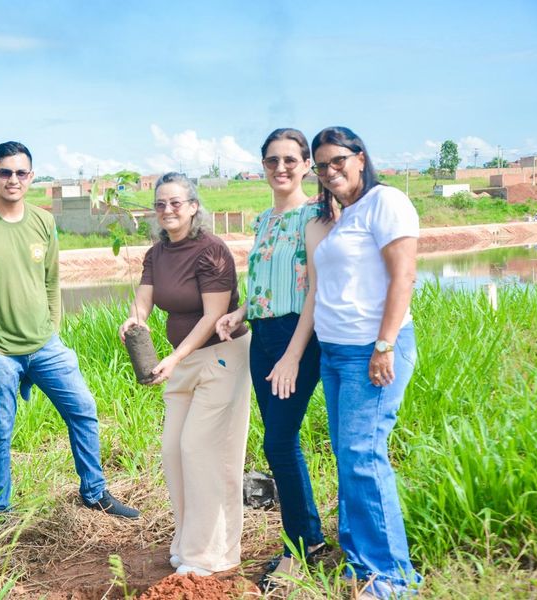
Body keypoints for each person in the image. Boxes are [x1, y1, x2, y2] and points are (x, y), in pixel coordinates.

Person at [0, 141, 138, 519]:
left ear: (31, 177)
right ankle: (1, 511)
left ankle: (94, 492)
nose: (12, 179)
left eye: (20, 173)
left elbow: (51, 280)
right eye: (5, 172)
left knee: (83, 408)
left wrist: (52, 327)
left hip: (46, 345)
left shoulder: (43, 221)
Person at [118, 172, 251, 576]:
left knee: (203, 451)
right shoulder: (157, 253)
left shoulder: (211, 251)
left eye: (176, 202)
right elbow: (145, 302)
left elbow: (213, 316)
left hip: (222, 357)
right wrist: (134, 321)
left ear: (194, 206)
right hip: (183, 360)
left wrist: (173, 359)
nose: (167, 210)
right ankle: (189, 541)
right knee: (174, 451)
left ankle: (210, 554)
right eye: (160, 204)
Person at [215, 128, 331, 587]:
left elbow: (316, 292)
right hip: (263, 334)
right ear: (262, 167)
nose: (280, 168)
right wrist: (240, 313)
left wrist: (293, 355)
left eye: (290, 160)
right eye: (271, 161)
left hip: (296, 335)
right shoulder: (263, 219)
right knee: (280, 441)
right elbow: (267, 283)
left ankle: (300, 549)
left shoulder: (316, 217)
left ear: (306, 165)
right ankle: (310, 537)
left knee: (279, 443)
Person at [310, 126, 420, 599]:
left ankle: (394, 578)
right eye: (322, 165)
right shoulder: (346, 214)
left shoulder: (385, 201)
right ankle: (360, 559)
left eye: (338, 160)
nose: (330, 171)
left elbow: (404, 275)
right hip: (335, 353)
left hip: (368, 350)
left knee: (363, 456)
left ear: (359, 157)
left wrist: (384, 344)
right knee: (348, 456)